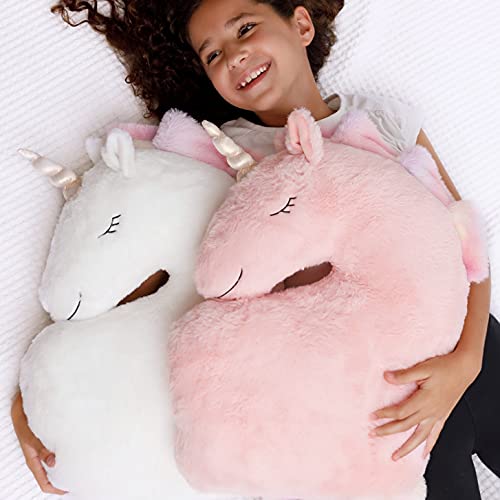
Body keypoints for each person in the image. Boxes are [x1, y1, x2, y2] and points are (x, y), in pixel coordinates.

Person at [12, 1, 499, 498]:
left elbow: (464, 239)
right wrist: (37, 401)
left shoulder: (378, 118)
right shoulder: (218, 153)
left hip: (467, 340)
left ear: (301, 25)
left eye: (245, 29)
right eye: (212, 55)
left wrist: (469, 360)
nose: (234, 57)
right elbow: (120, 268)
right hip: (377, 392)